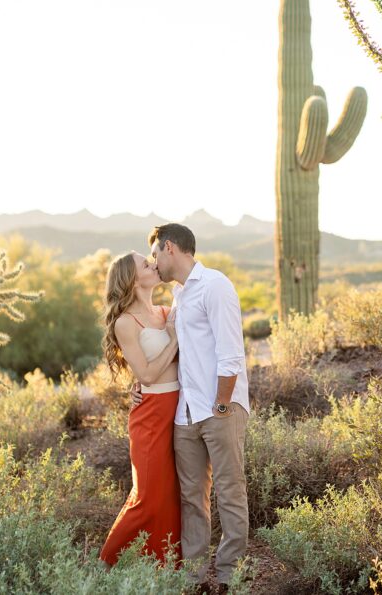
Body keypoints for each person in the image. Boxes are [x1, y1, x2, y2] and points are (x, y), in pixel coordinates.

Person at [131, 222, 250, 589]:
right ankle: (195, 577)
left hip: (219, 409)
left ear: (169, 248)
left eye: (154, 255)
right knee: (191, 499)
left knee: (230, 491)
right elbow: (175, 350)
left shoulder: (214, 285)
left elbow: (231, 355)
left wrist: (220, 406)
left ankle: (229, 575)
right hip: (185, 414)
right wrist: (139, 385)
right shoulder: (180, 296)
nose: (154, 264)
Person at [99, 251, 183, 568]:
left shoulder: (165, 311)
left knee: (170, 496)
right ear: (133, 280)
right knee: (147, 496)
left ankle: (166, 569)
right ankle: (104, 566)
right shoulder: (125, 323)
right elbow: (146, 374)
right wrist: (174, 341)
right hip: (150, 416)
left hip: (179, 409)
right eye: (145, 264)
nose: (153, 264)